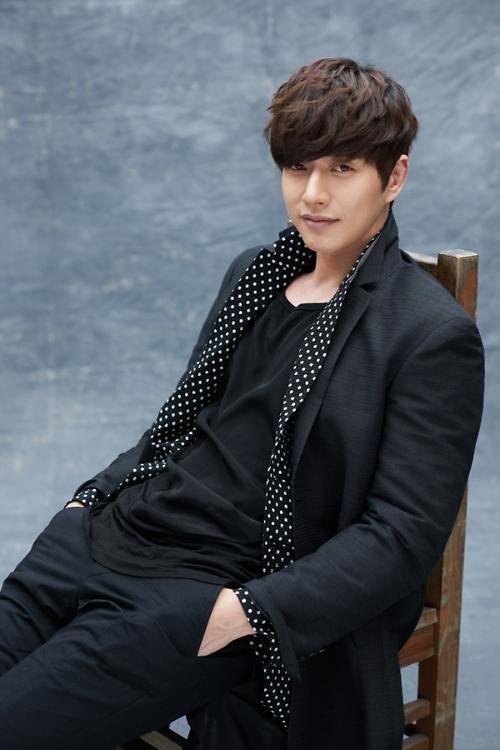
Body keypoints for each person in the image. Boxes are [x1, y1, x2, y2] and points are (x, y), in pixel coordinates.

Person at [0, 57, 485, 750]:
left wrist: (244, 613)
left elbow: (401, 536)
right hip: (104, 538)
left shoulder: (429, 334)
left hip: (209, 591)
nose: (313, 194)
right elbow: (181, 423)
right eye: (297, 168)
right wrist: (85, 504)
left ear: (395, 177)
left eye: (343, 169)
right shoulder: (254, 275)